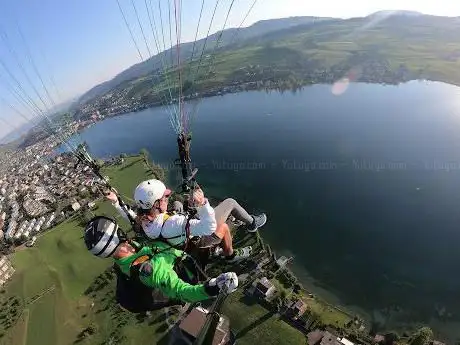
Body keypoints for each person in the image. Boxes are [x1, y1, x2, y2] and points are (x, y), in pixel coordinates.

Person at [83, 215, 239, 307]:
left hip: (177, 254)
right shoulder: (150, 269)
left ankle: (217, 251)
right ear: (116, 237)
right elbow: (183, 292)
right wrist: (213, 287)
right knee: (222, 227)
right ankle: (229, 255)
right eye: (118, 231)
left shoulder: (128, 253)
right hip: (189, 266)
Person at [106, 179, 267, 262]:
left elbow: (130, 215)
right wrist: (203, 204)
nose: (167, 198)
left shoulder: (143, 223)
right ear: (156, 203)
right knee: (229, 205)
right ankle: (234, 249)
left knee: (178, 203)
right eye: (165, 197)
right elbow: (209, 227)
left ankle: (222, 248)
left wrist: (115, 201)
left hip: (175, 239)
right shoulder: (173, 223)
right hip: (195, 241)